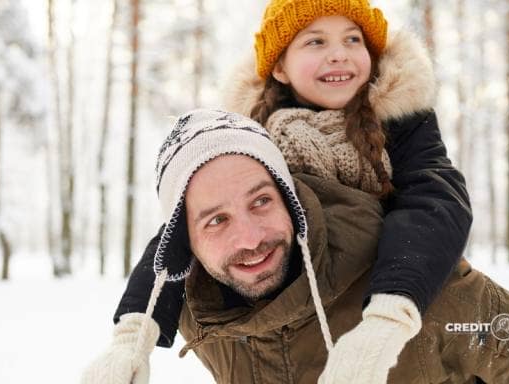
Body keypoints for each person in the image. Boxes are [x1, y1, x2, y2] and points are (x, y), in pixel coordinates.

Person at [94, 0, 471, 381]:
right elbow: (187, 226)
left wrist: (388, 316)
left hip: (387, 309)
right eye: (316, 42)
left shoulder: (404, 123)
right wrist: (133, 335)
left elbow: (434, 203)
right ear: (279, 67)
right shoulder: (252, 136)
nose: (339, 54)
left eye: (353, 39)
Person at [83, 109, 509, 383]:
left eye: (261, 202)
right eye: (216, 220)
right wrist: (130, 340)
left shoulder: (413, 283)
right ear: (185, 239)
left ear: (290, 200)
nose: (250, 239)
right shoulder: (199, 308)